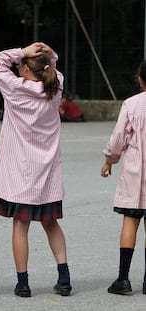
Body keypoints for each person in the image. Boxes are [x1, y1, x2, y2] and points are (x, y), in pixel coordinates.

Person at [0, 42, 72, 297]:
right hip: (47, 173)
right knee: (51, 223)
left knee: (20, 225)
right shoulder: (55, 86)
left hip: (21, 174)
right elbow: (54, 67)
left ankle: (23, 283)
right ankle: (64, 277)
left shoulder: (15, 89)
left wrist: (21, 51)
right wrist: (49, 53)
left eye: (20, 65)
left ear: (25, 68)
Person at [101, 59, 146, 295]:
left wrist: (109, 160)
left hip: (135, 173)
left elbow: (119, 138)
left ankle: (123, 279)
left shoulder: (131, 104)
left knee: (130, 221)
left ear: (140, 79)